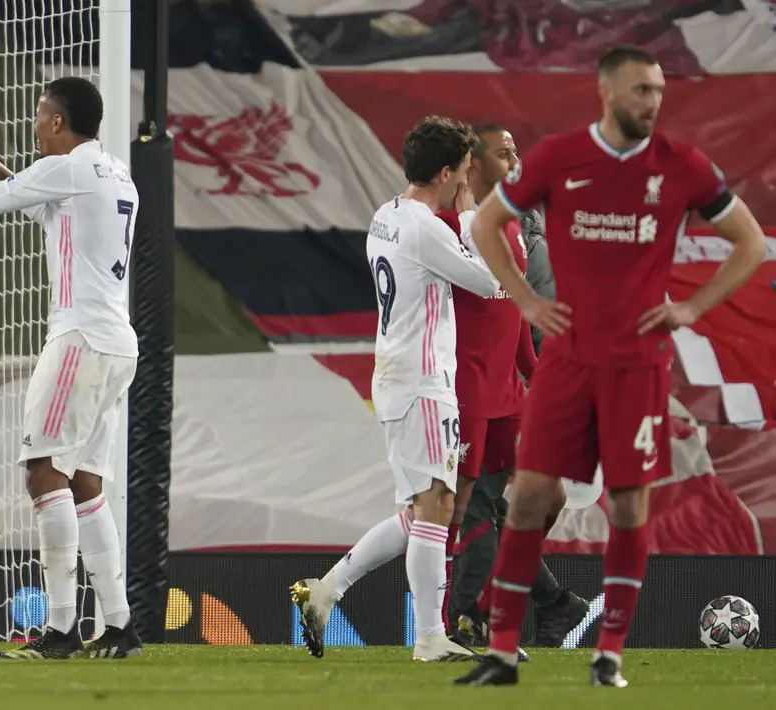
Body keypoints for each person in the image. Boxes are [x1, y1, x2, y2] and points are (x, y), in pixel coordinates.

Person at [455, 45, 766, 687]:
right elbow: (487, 224)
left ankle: (610, 656)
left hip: (639, 364)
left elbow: (752, 241)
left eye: (658, 90)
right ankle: (504, 652)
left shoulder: (682, 165)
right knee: (530, 499)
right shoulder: (558, 158)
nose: (653, 101)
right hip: (568, 361)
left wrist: (692, 307)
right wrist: (527, 300)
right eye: (640, 90)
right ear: (606, 92)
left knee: (628, 506)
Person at [0, 77, 142, 659]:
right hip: (117, 342)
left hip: (78, 340)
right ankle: (119, 625)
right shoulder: (114, 172)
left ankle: (62, 630)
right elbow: (45, 206)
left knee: (44, 472)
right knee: (86, 483)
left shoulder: (66, 170)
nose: (34, 123)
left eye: (39, 114)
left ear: (55, 123)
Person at [290, 116, 499, 662]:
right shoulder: (427, 227)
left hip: (396, 372)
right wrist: (473, 212)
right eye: (465, 174)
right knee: (437, 505)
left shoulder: (386, 216)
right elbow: (489, 282)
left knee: (420, 510)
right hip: (422, 379)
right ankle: (429, 638)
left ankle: (326, 590)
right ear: (449, 172)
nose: (466, 184)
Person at [446, 125, 587, 649]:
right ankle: (555, 603)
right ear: (474, 164)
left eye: (516, 151)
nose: (515, 161)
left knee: (477, 502)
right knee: (486, 506)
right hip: (472, 386)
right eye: (503, 153)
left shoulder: (526, 235)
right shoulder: (461, 223)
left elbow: (536, 330)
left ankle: (468, 619)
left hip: (501, 391)